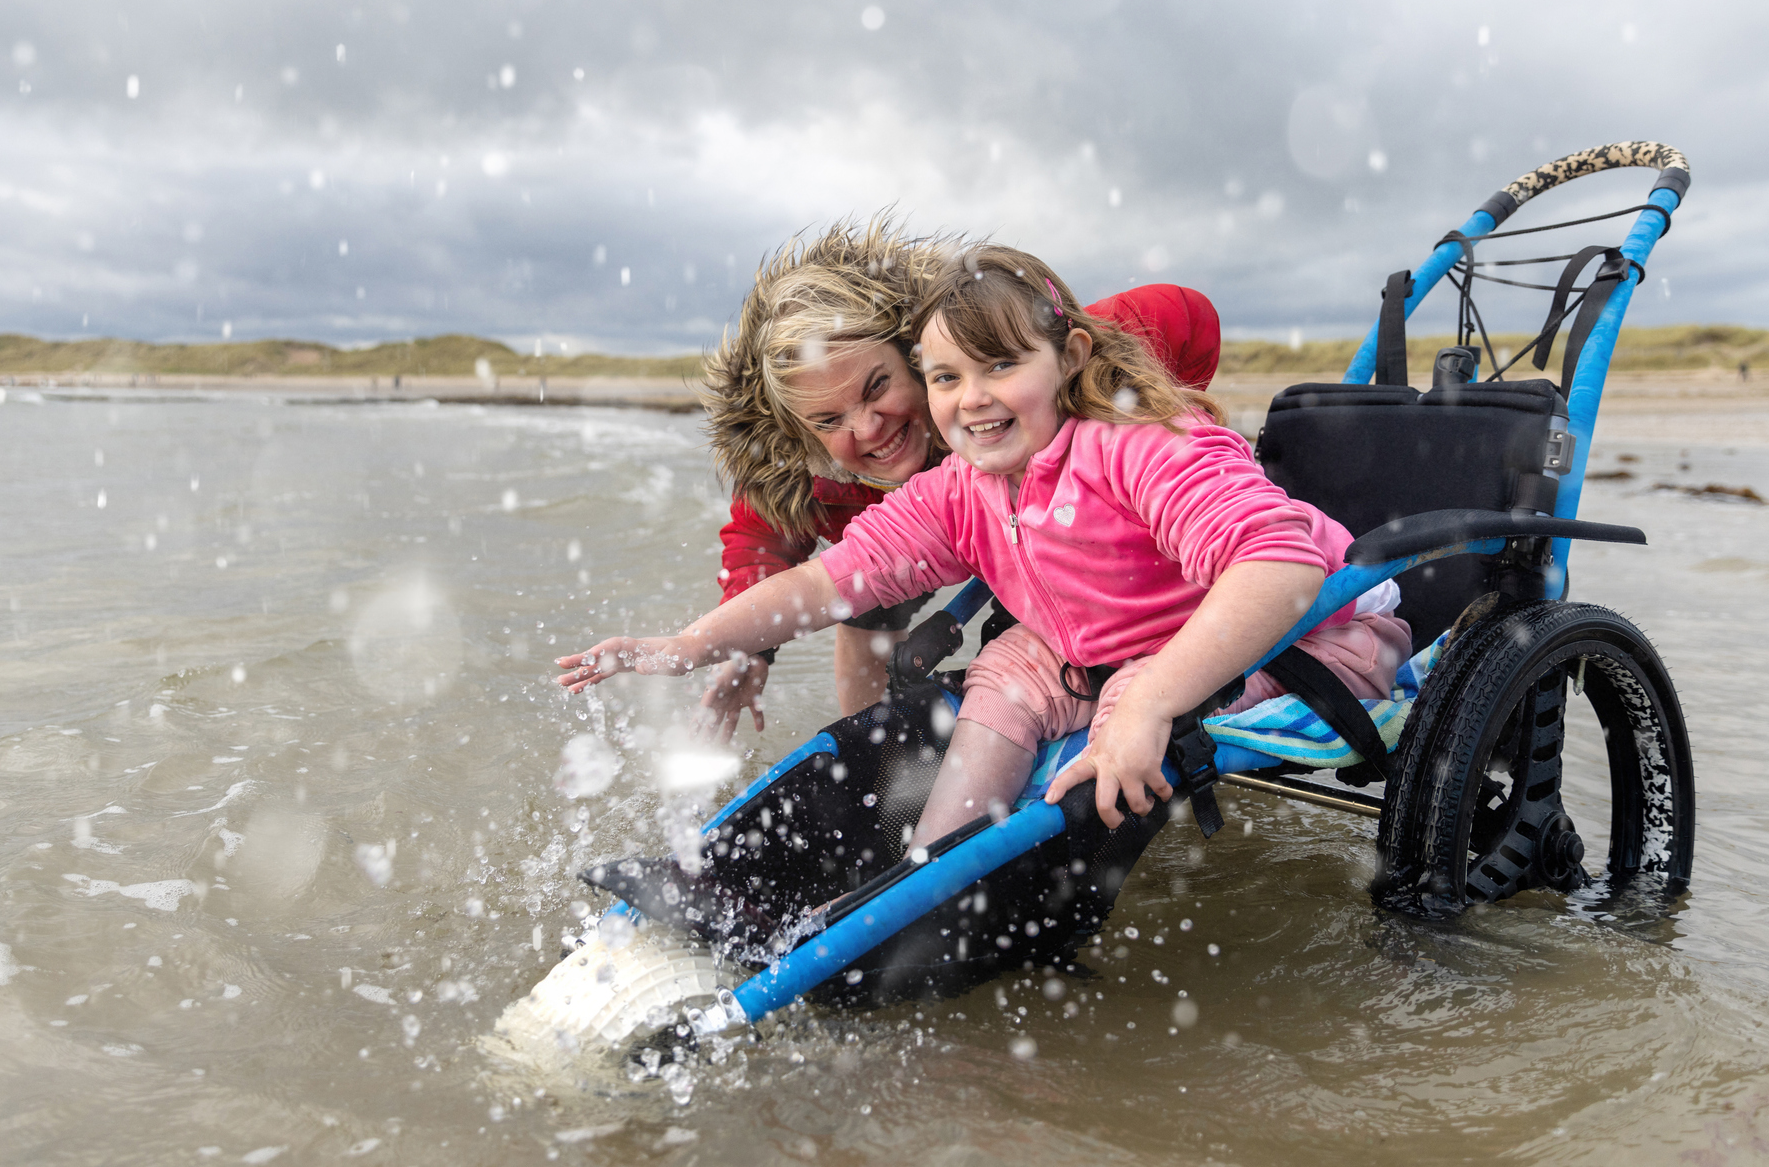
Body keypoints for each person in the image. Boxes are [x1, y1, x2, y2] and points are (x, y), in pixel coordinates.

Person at [558, 244, 1411, 842]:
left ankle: (1041, 868)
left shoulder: (1135, 436)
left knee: (1126, 698)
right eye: (947, 379)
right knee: (1003, 670)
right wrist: (689, 645)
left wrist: (1149, 702)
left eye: (998, 366)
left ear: (1070, 354)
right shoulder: (956, 486)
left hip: (1305, 634)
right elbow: (833, 580)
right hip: (1097, 633)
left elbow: (1284, 567)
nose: (970, 399)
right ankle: (936, 860)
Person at [696, 219, 1220, 740]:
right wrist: (749, 650)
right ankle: (878, 750)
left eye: (877, 388)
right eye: (828, 422)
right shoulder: (805, 474)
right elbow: (758, 545)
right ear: (801, 434)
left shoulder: (991, 385)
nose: (867, 429)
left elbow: (1188, 315)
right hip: (910, 549)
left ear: (920, 355)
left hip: (1044, 519)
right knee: (864, 605)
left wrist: (1129, 422)